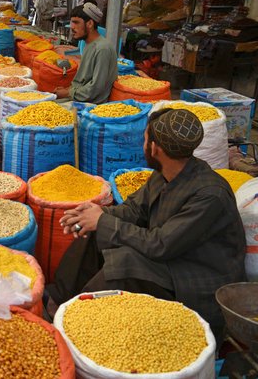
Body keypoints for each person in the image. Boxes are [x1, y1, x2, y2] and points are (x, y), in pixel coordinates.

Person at [48, 108, 246, 338]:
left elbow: (160, 244)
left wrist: (103, 221)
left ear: (154, 148)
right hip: (172, 256)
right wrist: (96, 213)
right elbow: (133, 210)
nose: (142, 146)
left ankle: (75, 324)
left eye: (144, 139)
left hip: (197, 278)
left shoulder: (210, 195)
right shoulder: (164, 173)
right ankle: (58, 302)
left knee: (124, 263)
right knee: (95, 231)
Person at [53, 3, 117, 104]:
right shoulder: (88, 44)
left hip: (91, 105)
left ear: (90, 24)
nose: (72, 27)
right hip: (80, 98)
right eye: (71, 22)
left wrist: (68, 93)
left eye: (76, 22)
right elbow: (84, 80)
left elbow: (96, 88)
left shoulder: (102, 48)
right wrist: (68, 90)